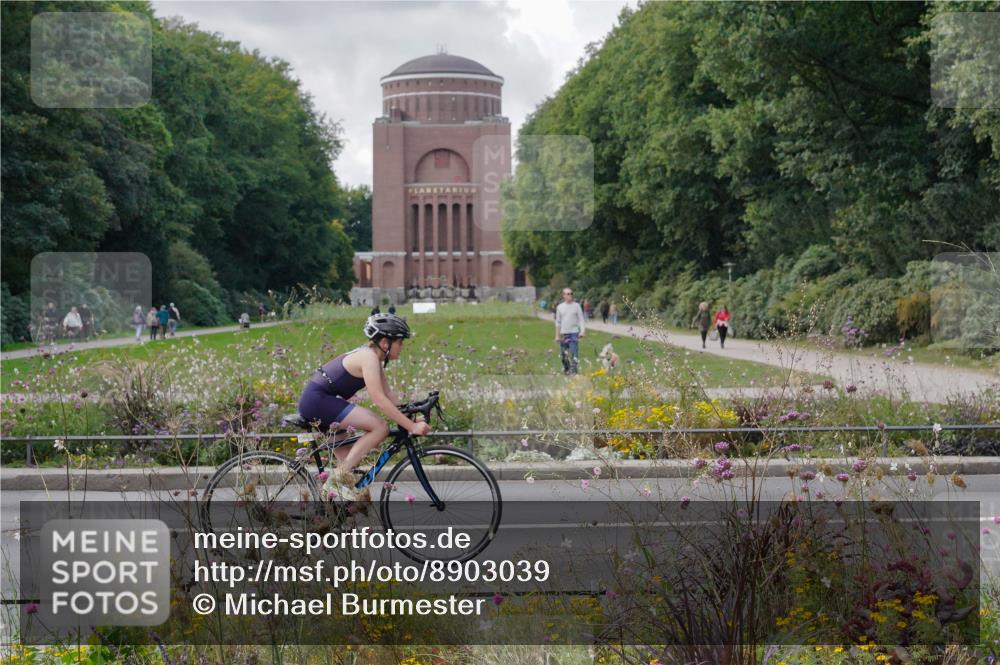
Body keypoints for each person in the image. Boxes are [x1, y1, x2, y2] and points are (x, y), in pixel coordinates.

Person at [297, 313, 429, 503]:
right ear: (385, 342)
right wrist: (411, 427)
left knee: (348, 461)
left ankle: (333, 511)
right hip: (318, 401)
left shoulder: (375, 360)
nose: (402, 347)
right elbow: (380, 400)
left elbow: (391, 398)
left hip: (323, 402)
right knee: (380, 427)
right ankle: (333, 484)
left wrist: (411, 418)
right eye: (400, 342)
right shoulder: (368, 358)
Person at [555, 287, 586, 375]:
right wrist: (557, 336)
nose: (570, 295)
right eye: (568, 294)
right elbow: (558, 322)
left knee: (574, 354)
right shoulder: (560, 307)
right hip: (563, 334)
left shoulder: (577, 306)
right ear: (563, 295)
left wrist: (582, 331)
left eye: (571, 293)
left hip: (574, 333)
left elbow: (581, 320)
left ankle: (574, 373)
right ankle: (567, 370)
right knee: (563, 356)